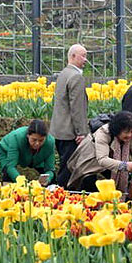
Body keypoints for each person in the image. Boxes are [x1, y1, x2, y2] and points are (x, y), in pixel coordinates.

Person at [67, 111, 132, 192]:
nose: (129, 135)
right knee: (91, 183)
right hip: (93, 163)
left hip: (113, 164)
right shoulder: (104, 133)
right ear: (118, 130)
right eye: (126, 132)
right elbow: (102, 159)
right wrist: (124, 166)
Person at [50, 44, 89, 187]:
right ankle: (62, 194)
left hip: (58, 130)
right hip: (70, 132)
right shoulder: (76, 77)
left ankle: (61, 192)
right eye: (83, 56)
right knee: (68, 169)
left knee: (64, 165)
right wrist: (81, 132)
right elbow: (77, 107)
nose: (85, 59)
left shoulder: (63, 74)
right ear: (73, 56)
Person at [0, 120, 56, 185]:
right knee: (8, 174)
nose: (37, 143)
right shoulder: (16, 138)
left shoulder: (50, 142)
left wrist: (47, 179)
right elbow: (11, 166)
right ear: (28, 135)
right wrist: (22, 182)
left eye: (41, 140)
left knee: (50, 179)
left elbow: (50, 169)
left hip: (36, 155)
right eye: (34, 140)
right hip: (7, 151)